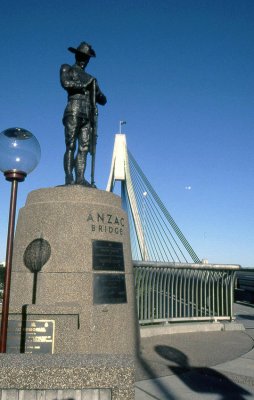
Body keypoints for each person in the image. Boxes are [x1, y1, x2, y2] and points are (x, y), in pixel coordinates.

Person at [60, 42, 107, 186]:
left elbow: (103, 100)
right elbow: (66, 84)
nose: (83, 60)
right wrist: (84, 85)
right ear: (76, 55)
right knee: (71, 145)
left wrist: (96, 90)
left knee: (84, 148)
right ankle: (69, 177)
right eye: (81, 56)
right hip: (73, 110)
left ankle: (80, 177)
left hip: (88, 115)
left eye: (86, 58)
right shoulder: (67, 68)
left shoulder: (91, 78)